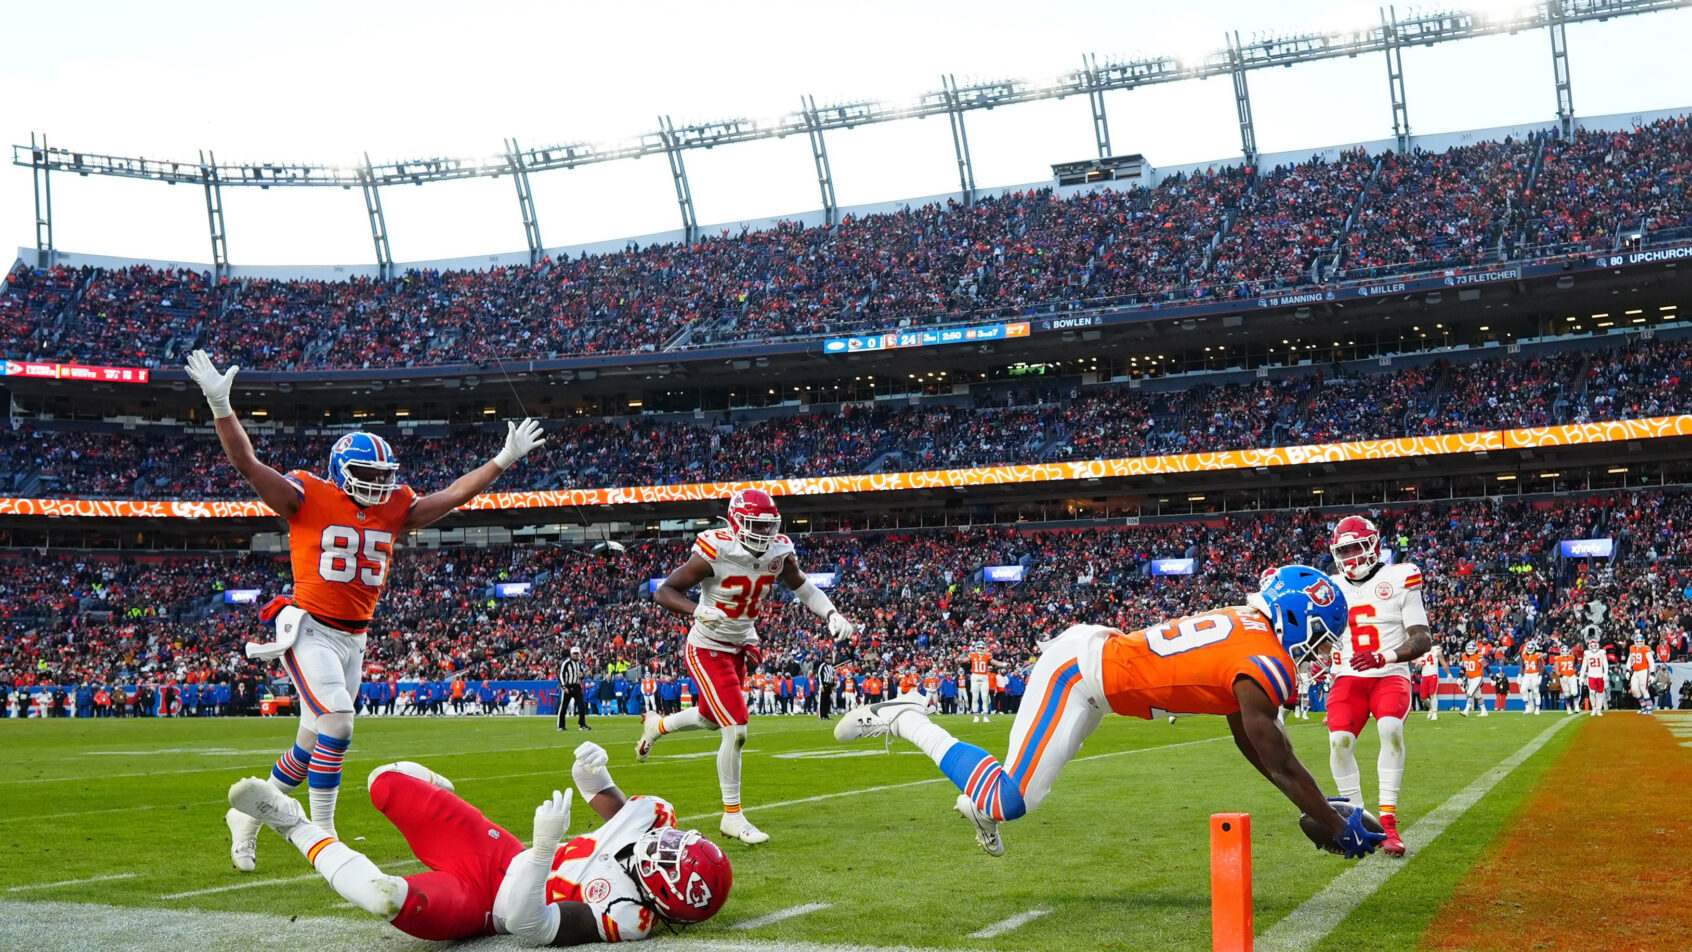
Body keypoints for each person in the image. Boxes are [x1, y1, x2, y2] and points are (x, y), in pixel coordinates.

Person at [185, 349, 547, 874]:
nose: (377, 483)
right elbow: (247, 462)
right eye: (366, 473)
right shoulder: (306, 496)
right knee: (338, 722)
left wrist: (503, 459)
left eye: (383, 474)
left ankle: (246, 817)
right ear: (340, 470)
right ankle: (323, 834)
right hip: (309, 628)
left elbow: (450, 496)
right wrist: (221, 405)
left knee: (310, 744)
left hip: (354, 637)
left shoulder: (394, 506)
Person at [834, 565, 1385, 861]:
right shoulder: (1264, 660)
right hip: (1078, 674)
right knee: (1010, 799)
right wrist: (1339, 828)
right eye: (1321, 637)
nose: (1319, 652)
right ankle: (907, 718)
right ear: (1296, 617)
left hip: (1098, 671)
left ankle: (978, 807)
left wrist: (1325, 810)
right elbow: (1280, 762)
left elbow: (1254, 743)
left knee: (1016, 798)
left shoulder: (1250, 634)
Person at [224, 744, 730, 944]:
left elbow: (531, 927)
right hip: (499, 854)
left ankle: (292, 824)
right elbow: (606, 798)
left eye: (668, 857)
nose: (663, 843)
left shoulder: (627, 915)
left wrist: (543, 851)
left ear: (662, 893)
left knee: (385, 897)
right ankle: (440, 787)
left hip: (487, 904)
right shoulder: (653, 818)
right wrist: (591, 772)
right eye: (675, 842)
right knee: (384, 782)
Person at [636, 489, 857, 844]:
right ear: (737, 522)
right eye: (756, 525)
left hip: (741, 646)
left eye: (769, 526)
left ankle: (657, 725)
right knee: (736, 728)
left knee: (711, 719)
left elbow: (803, 588)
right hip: (708, 646)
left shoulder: (778, 551)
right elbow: (664, 591)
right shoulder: (716, 550)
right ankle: (732, 816)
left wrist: (831, 613)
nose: (764, 533)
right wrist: (698, 610)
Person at [1321, 516, 1433, 858]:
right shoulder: (1330, 586)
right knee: (1339, 744)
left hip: (1390, 673)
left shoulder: (1399, 577)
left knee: (1390, 729)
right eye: (1344, 550)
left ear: (1373, 546)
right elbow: (1320, 638)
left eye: (1356, 547)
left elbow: (1422, 638)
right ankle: (1359, 820)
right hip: (1348, 677)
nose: (1351, 556)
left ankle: (1388, 823)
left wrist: (1384, 656)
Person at [967, 640, 1001, 723]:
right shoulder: (972, 655)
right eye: (979, 648)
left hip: (984, 677)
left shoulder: (987, 655)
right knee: (975, 697)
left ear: (984, 648)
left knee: (985, 697)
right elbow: (965, 659)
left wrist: (1003, 664)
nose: (980, 649)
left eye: (982, 648)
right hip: (975, 677)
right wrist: (959, 660)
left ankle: (985, 716)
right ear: (976, 648)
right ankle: (976, 716)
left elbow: (995, 662)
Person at [557, 647, 589, 731]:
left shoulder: (579, 664)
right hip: (568, 686)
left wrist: (582, 676)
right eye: (574, 653)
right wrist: (564, 687)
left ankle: (582, 724)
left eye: (577, 653)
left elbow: (582, 675)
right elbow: (561, 675)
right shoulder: (566, 663)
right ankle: (561, 725)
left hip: (577, 686)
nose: (576, 655)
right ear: (571, 654)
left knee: (581, 706)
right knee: (564, 706)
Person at [1627, 634, 1657, 714]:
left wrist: (1652, 673)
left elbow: (1651, 662)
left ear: (1643, 641)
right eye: (1638, 641)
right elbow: (1629, 659)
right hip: (1635, 672)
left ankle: (1649, 708)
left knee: (1644, 689)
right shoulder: (1632, 648)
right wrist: (1627, 670)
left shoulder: (1645, 649)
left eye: (1641, 641)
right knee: (1634, 690)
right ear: (1635, 641)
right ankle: (1643, 707)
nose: (1639, 643)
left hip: (1644, 671)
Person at [1457, 642, 1488, 717]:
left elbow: (1486, 666)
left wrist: (1492, 677)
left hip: (1478, 677)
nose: (1470, 650)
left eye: (1472, 649)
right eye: (1469, 649)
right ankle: (1484, 711)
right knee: (1478, 695)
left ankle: (1466, 711)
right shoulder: (1464, 655)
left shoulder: (1478, 655)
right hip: (1470, 678)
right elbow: (1463, 668)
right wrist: (1459, 677)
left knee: (1470, 692)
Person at [1581, 639, 1609, 716]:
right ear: (1589, 646)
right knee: (1592, 692)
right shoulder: (1587, 653)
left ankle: (1599, 709)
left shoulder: (1602, 652)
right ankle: (1594, 708)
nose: (1593, 647)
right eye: (1592, 646)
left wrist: (1605, 674)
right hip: (1591, 675)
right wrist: (1581, 677)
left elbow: (1605, 664)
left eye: (1595, 645)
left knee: (1600, 693)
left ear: (1598, 645)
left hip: (1600, 675)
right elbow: (1584, 666)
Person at [1519, 640, 1545, 715]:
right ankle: (1528, 708)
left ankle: (1537, 709)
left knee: (1536, 692)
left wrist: (1540, 676)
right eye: (1529, 649)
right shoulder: (1524, 655)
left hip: (1535, 674)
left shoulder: (1537, 655)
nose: (1530, 650)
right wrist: (1520, 675)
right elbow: (1523, 666)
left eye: (1531, 649)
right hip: (1527, 675)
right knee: (1522, 690)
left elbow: (1541, 667)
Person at [1555, 644, 1581, 714]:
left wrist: (1576, 671)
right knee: (1567, 694)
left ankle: (1577, 707)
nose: (1565, 653)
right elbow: (1556, 669)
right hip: (1563, 677)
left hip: (1572, 676)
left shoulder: (1572, 657)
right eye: (1563, 651)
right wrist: (1561, 675)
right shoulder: (1558, 659)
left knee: (1574, 692)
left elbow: (1574, 666)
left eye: (1566, 651)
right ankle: (1568, 707)